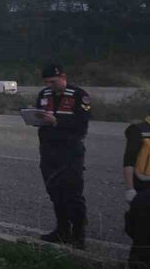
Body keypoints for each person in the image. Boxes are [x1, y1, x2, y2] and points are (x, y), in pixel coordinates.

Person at [35, 64, 91, 249]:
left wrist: (57, 121)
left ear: (63, 77)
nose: (51, 85)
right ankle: (62, 230)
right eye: (47, 82)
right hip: (48, 149)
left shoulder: (78, 95)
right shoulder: (44, 94)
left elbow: (82, 123)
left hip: (70, 151)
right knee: (54, 191)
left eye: (54, 81)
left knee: (72, 193)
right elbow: (39, 115)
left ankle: (78, 235)